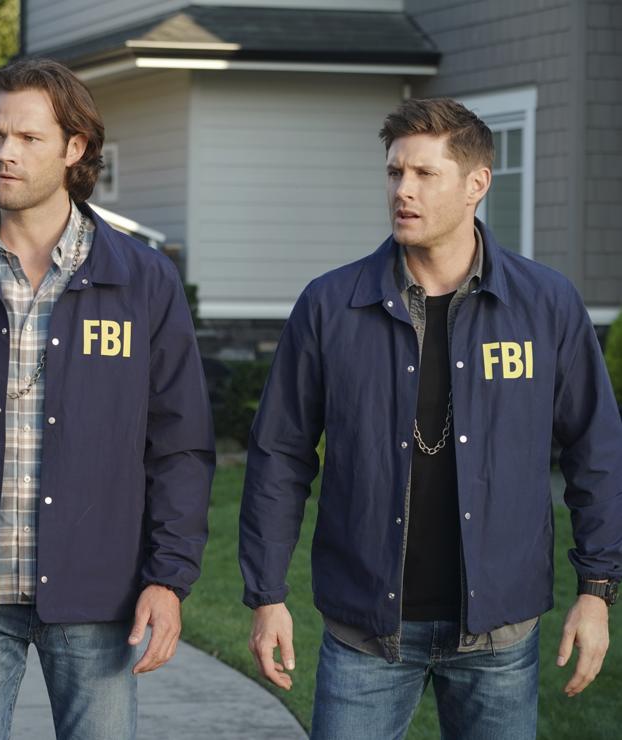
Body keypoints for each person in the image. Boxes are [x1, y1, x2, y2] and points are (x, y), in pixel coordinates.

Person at [239, 97, 622, 739]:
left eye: (424, 174)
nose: (403, 191)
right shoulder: (331, 305)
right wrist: (266, 594)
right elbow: (279, 454)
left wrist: (597, 589)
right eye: (395, 172)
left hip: (499, 634)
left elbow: (597, 451)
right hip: (365, 633)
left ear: (477, 183)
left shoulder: (545, 304)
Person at [0, 58, 214, 740]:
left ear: (74, 148)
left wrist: (168, 579)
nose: (5, 153)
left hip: (98, 597)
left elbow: (180, 444)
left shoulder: (142, 280)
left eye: (27, 137)